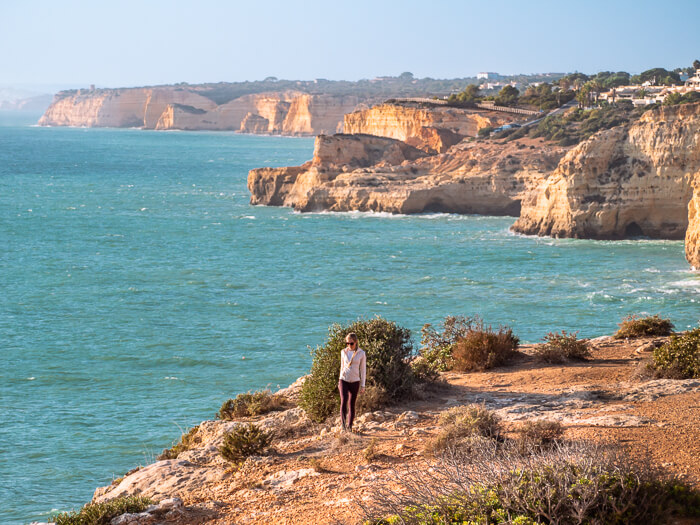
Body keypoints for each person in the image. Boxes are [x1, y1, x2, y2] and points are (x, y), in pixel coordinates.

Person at [338, 332, 366, 432]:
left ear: (356, 342)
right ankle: (343, 425)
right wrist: (339, 380)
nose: (349, 345)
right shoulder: (343, 352)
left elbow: (363, 370)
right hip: (343, 379)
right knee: (344, 400)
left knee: (351, 404)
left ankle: (349, 427)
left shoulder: (361, 353)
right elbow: (342, 366)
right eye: (347, 343)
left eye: (351, 343)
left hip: (355, 381)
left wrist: (363, 385)